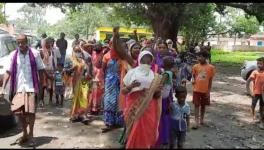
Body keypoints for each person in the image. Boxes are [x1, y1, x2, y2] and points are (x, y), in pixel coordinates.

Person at [0, 34, 48, 146]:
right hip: (19, 88)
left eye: (22, 42)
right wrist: (3, 88)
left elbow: (41, 70)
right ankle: (25, 133)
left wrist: (41, 87)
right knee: (18, 112)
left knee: (31, 112)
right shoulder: (13, 55)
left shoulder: (35, 54)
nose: (21, 44)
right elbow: (8, 71)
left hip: (31, 87)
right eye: (18, 42)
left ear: (27, 42)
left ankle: (31, 135)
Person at [121, 51, 163, 148]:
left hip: (149, 107)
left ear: (152, 62)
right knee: (133, 128)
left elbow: (157, 95)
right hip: (133, 106)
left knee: (146, 130)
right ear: (140, 60)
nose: (146, 63)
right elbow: (123, 91)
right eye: (144, 61)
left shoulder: (155, 75)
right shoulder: (132, 73)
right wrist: (131, 86)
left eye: (149, 61)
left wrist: (157, 90)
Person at [66, 45, 90, 124]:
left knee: (84, 98)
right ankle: (75, 115)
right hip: (75, 82)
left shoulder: (83, 61)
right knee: (76, 99)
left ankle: (83, 115)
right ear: (73, 52)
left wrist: (87, 74)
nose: (78, 53)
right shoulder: (71, 60)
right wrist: (72, 68)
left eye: (79, 51)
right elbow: (66, 72)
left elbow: (87, 71)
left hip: (83, 82)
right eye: (76, 51)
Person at [192, 51, 215, 129]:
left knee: (203, 105)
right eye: (198, 56)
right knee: (196, 105)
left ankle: (202, 120)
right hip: (196, 89)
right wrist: (193, 81)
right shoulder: (195, 66)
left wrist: (209, 91)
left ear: (206, 58)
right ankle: (196, 121)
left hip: (205, 90)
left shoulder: (211, 67)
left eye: (201, 57)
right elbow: (194, 76)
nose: (199, 58)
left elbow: (210, 80)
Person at [155, 56, 175, 148]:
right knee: (165, 117)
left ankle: (162, 137)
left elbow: (160, 84)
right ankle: (166, 137)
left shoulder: (166, 74)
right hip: (167, 98)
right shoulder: (170, 72)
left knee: (161, 117)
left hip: (162, 98)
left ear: (165, 63)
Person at [39, 38, 58, 107]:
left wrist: (55, 69)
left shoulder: (52, 51)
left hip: (51, 71)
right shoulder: (41, 52)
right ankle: (41, 100)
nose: (48, 44)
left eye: (49, 43)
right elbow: (40, 63)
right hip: (43, 71)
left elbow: (54, 61)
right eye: (47, 43)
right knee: (43, 86)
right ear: (44, 44)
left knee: (51, 87)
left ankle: (50, 100)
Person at [248, 57, 264, 129]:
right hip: (256, 92)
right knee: (253, 105)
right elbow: (250, 81)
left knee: (262, 106)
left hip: (263, 94)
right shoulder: (255, 72)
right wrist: (251, 91)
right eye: (258, 63)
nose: (259, 65)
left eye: (260, 63)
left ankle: (261, 119)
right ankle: (253, 118)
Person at [89, 42, 105, 115]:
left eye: (99, 46)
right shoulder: (93, 52)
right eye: (95, 46)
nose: (96, 47)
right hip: (94, 73)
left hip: (100, 74)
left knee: (99, 92)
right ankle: (92, 108)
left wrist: (104, 46)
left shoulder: (104, 52)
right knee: (93, 91)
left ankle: (97, 109)